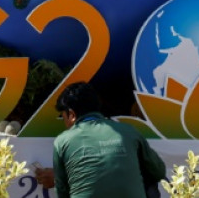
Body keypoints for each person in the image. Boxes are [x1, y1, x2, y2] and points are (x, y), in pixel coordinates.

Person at [33, 82, 167, 198]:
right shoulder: (129, 131)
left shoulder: (62, 141)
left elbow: (63, 193)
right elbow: (158, 171)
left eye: (63, 117)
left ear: (72, 115)